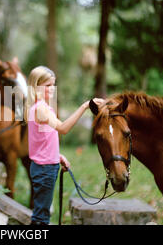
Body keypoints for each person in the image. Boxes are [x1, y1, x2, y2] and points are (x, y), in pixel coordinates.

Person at [25, 66, 104, 225]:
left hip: (46, 165)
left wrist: (57, 156)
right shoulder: (40, 109)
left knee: (43, 213)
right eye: (47, 86)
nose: (52, 89)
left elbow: (43, 139)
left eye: (53, 85)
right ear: (36, 87)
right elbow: (63, 129)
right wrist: (84, 106)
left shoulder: (44, 108)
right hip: (44, 169)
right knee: (41, 218)